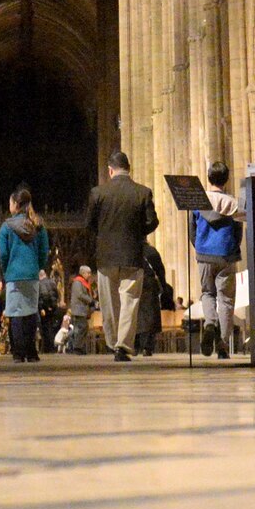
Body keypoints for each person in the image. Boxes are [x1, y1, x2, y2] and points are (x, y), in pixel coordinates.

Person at [85, 150, 158, 362]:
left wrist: (104, 235)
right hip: (132, 254)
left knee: (109, 302)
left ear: (110, 170)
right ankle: (123, 345)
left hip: (106, 256)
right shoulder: (143, 192)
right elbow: (152, 222)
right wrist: (136, 232)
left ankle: (113, 341)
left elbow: (89, 224)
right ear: (129, 169)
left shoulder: (98, 193)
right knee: (130, 300)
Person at [192, 161, 241, 360]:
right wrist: (232, 247)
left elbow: (192, 230)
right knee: (226, 299)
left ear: (208, 178)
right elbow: (238, 230)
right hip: (226, 254)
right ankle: (222, 343)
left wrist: (200, 248)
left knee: (207, 293)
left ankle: (210, 323)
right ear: (226, 180)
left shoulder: (197, 203)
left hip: (204, 254)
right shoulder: (233, 203)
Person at [0, 187, 51, 362]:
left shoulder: (6, 227)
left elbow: (3, 254)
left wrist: (7, 271)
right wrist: (37, 266)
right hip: (32, 274)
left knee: (15, 314)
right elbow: (44, 251)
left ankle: (18, 354)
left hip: (14, 274)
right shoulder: (38, 225)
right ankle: (31, 353)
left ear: (15, 204)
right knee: (30, 313)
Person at [135, 242, 170, 357]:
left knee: (133, 314)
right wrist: (164, 286)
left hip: (133, 282)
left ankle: (133, 346)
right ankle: (147, 347)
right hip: (149, 284)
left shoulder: (130, 249)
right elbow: (160, 269)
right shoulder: (151, 251)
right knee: (150, 315)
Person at [64, 263, 96, 353]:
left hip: (82, 309)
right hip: (79, 309)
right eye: (88, 273)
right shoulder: (78, 282)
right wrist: (90, 300)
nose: (89, 275)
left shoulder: (83, 282)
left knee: (82, 328)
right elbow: (80, 294)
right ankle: (76, 347)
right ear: (83, 273)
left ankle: (77, 346)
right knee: (81, 327)